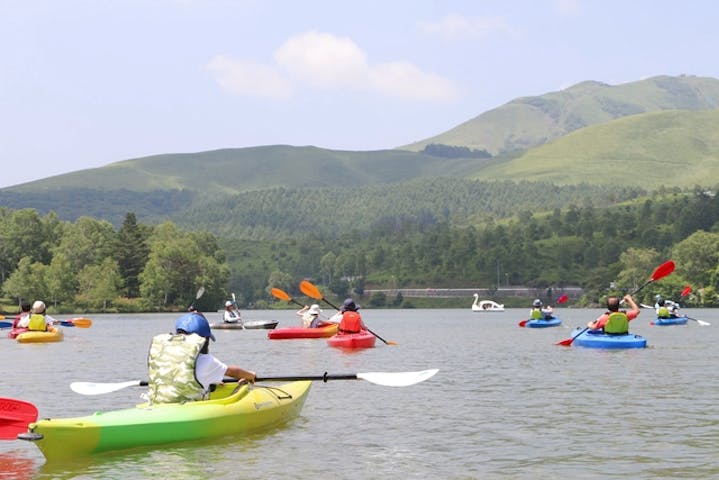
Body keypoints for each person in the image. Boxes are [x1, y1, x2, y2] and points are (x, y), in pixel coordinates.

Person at [146, 310, 256, 404]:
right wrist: (251, 375)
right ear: (204, 339)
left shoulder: (165, 354)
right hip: (186, 408)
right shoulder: (206, 361)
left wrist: (212, 379)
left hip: (157, 404)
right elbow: (235, 372)